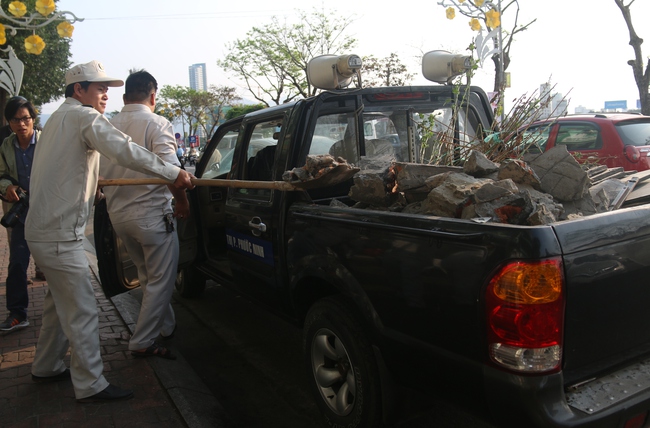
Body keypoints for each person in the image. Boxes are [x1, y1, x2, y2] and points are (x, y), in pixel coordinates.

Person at [24, 60, 195, 403]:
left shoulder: (57, 118)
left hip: (42, 231)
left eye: (108, 89)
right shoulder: (84, 117)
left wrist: (92, 189)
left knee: (59, 305)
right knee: (83, 309)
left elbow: (71, 168)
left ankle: (45, 365)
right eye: (100, 88)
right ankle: (90, 384)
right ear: (78, 89)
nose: (106, 95)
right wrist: (171, 173)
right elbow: (125, 151)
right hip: (60, 234)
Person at [100, 70, 188, 360]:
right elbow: (172, 172)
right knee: (161, 280)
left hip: (120, 219)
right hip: (153, 217)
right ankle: (143, 340)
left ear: (124, 98)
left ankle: (167, 326)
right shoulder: (157, 123)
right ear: (153, 96)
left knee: (147, 276)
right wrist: (183, 203)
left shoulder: (107, 127)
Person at [0, 96, 39, 332]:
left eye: (26, 118)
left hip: (48, 213)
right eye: (16, 119)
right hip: (22, 215)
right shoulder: (5, 147)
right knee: (16, 265)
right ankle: (17, 313)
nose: (22, 124)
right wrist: (7, 187)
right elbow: (1, 174)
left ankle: (63, 311)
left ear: (33, 119)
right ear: (9, 122)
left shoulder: (47, 142)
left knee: (56, 264)